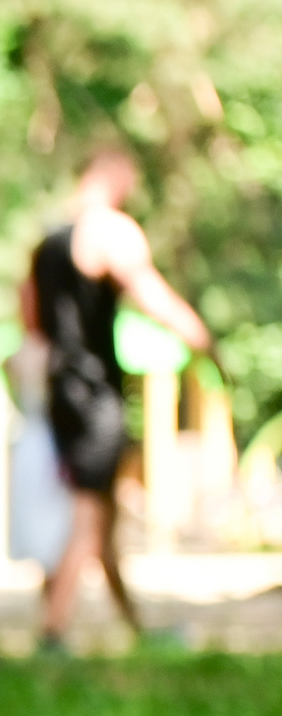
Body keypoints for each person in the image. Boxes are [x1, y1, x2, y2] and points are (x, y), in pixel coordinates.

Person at [28, 147, 214, 649]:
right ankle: (53, 631)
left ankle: (135, 627)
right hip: (94, 394)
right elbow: (150, 294)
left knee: (102, 516)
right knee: (89, 516)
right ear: (114, 177)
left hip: (60, 388)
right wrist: (201, 338)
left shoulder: (46, 243)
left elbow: (32, 320)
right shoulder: (108, 231)